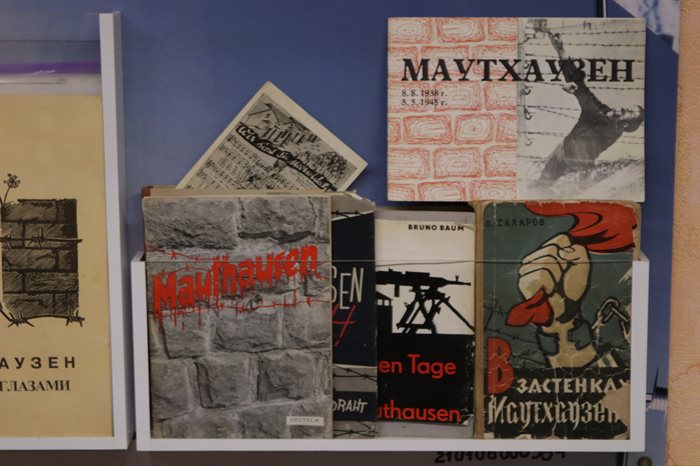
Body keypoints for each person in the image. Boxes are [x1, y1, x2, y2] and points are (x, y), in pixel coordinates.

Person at [536, 30, 644, 186]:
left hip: (574, 167)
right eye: (631, 107)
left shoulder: (613, 128)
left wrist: (577, 92)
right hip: (564, 151)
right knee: (541, 186)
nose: (628, 108)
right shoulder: (604, 110)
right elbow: (583, 89)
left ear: (626, 124)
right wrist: (561, 50)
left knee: (548, 188)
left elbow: (586, 100)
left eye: (631, 112)